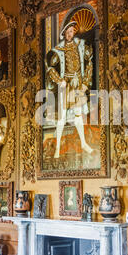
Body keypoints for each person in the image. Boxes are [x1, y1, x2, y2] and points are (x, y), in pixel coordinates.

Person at [45, 20, 93, 159]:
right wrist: (60, 81)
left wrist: (85, 82)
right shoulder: (58, 50)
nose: (70, 34)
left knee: (78, 113)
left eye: (72, 31)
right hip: (65, 84)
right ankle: (58, 147)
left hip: (77, 83)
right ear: (64, 33)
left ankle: (84, 143)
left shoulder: (81, 45)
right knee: (62, 117)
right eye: (68, 32)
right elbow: (50, 68)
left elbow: (89, 63)